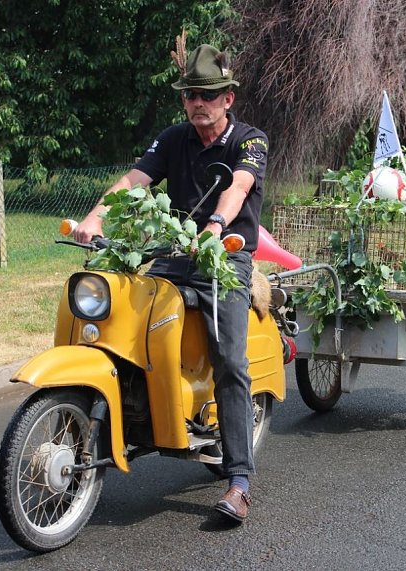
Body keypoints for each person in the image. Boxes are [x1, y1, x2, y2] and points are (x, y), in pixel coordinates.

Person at [73, 43, 268, 524]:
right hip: (175, 256)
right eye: (190, 96)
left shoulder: (251, 139)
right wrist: (95, 218)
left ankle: (240, 480)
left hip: (226, 259)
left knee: (229, 359)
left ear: (228, 98)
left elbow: (237, 186)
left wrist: (216, 228)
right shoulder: (174, 138)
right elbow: (134, 180)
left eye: (207, 94)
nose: (197, 103)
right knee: (123, 315)